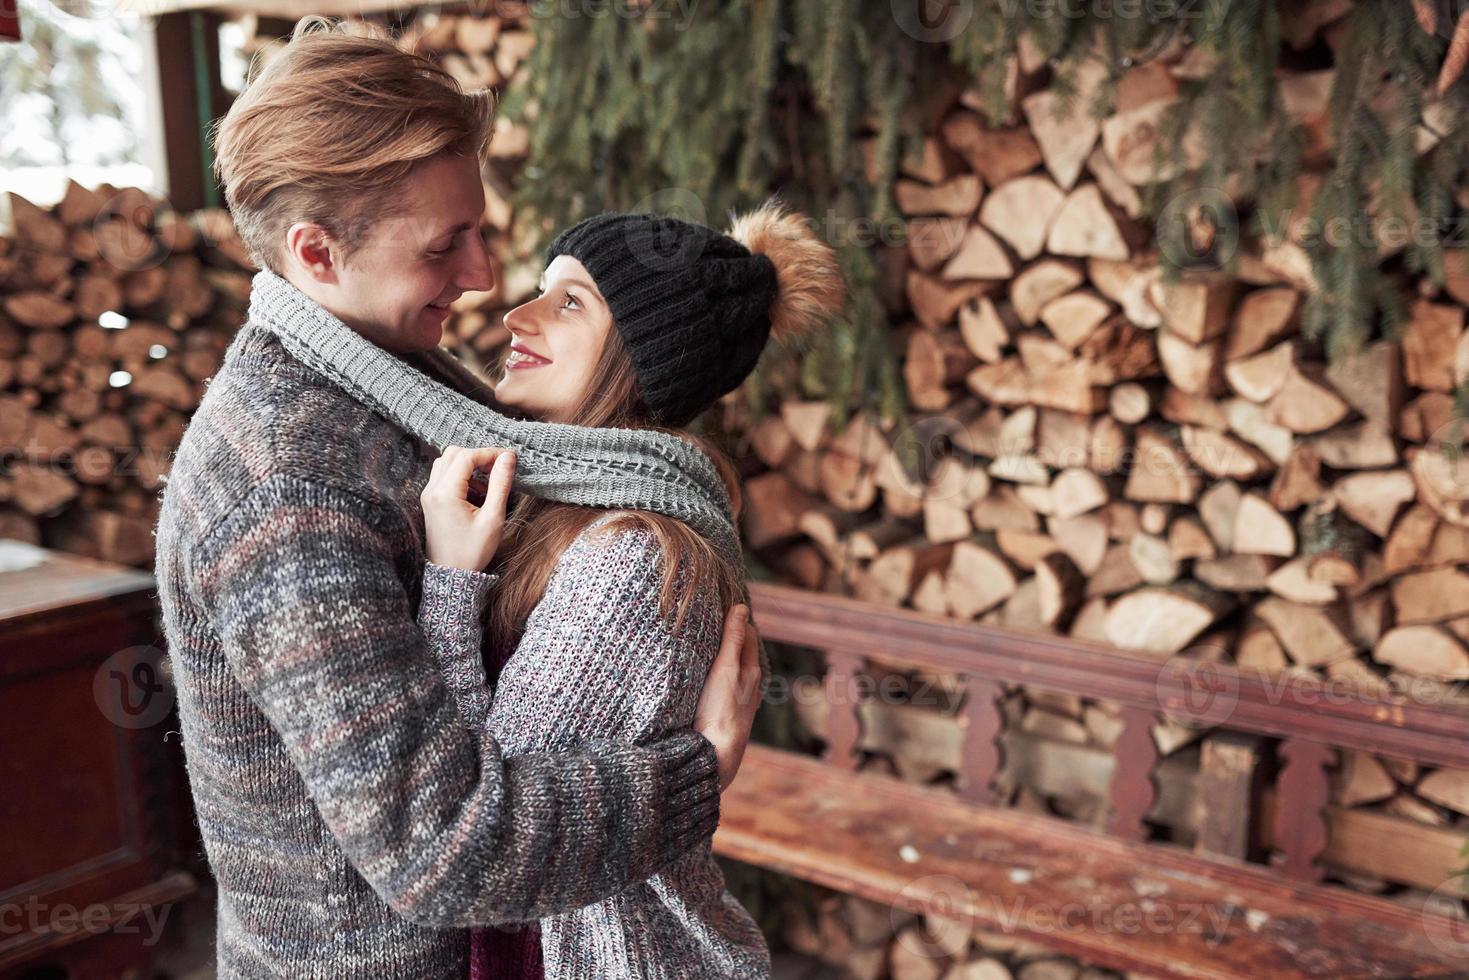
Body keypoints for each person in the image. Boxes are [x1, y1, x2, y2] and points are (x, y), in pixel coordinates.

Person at [153, 19, 761, 977]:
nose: (481, 278)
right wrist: (697, 771)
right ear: (317, 255)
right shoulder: (284, 487)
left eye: (479, 233)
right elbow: (442, 850)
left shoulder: (398, 377)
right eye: (447, 246)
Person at [413, 200, 845, 978]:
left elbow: (487, 831)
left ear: (641, 357)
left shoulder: (632, 556)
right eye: (541, 288)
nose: (517, 314)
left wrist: (450, 586)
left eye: (569, 301)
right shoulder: (556, 507)